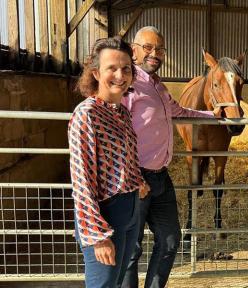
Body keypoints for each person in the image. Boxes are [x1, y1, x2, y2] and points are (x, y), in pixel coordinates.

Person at [121, 26, 219, 288]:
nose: (155, 53)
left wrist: (214, 116)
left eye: (160, 49)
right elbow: (117, 131)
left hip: (161, 178)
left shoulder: (158, 86)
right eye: (149, 48)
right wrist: (131, 175)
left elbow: (179, 111)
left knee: (169, 239)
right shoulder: (128, 84)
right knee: (131, 249)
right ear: (134, 50)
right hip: (136, 178)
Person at [68, 37, 149, 287]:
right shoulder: (86, 114)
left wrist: (138, 182)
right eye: (111, 68)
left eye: (126, 69)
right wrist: (97, 235)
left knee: (117, 280)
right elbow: (81, 181)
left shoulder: (121, 112)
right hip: (105, 213)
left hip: (130, 207)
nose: (120, 75)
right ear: (95, 73)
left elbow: (126, 158)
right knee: (102, 284)